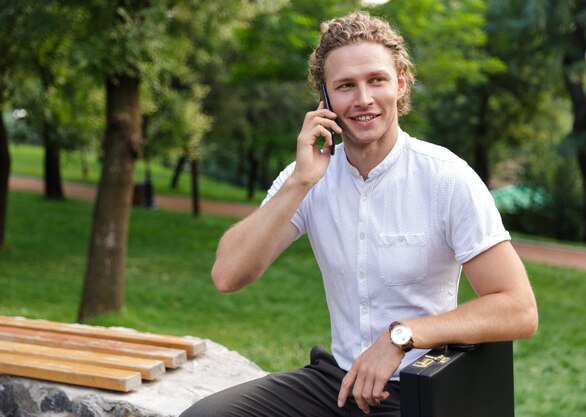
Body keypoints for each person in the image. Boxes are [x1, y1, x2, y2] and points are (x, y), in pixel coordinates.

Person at [181, 11, 538, 417]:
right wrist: (299, 182)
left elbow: (518, 308)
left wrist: (401, 337)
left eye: (377, 80)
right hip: (336, 382)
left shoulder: (446, 177)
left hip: (421, 386)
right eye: (346, 86)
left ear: (400, 83)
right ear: (326, 98)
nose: (363, 99)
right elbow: (228, 275)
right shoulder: (309, 175)